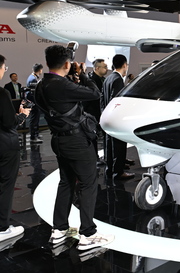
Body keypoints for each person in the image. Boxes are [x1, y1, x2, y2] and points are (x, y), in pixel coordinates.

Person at [35, 45, 114, 251]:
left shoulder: (42, 85)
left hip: (59, 140)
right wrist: (83, 75)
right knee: (88, 184)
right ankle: (88, 234)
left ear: (47, 63)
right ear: (68, 64)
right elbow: (95, 93)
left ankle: (59, 229)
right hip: (77, 142)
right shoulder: (62, 85)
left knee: (66, 182)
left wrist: (73, 78)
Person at [0, 55, 30, 245]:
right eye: (4, 67)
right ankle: (2, 228)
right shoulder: (2, 93)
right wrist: (22, 115)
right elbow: (9, 123)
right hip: (5, 145)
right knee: (5, 186)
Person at [101, 54, 134, 181]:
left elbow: (102, 99)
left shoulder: (108, 78)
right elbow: (116, 103)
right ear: (124, 65)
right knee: (118, 147)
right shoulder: (118, 80)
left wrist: (104, 115)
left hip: (107, 119)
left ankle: (110, 170)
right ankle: (118, 172)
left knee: (109, 147)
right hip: (115, 120)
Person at [82, 59, 108, 156]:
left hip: (100, 112)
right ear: (97, 68)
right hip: (92, 113)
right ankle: (94, 157)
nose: (107, 69)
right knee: (92, 136)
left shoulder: (103, 79)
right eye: (104, 67)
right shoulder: (91, 80)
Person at [26, 64, 43, 142]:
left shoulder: (33, 77)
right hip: (34, 102)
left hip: (34, 102)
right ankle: (33, 136)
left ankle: (35, 134)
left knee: (35, 119)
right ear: (39, 70)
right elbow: (34, 93)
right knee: (34, 119)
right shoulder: (33, 79)